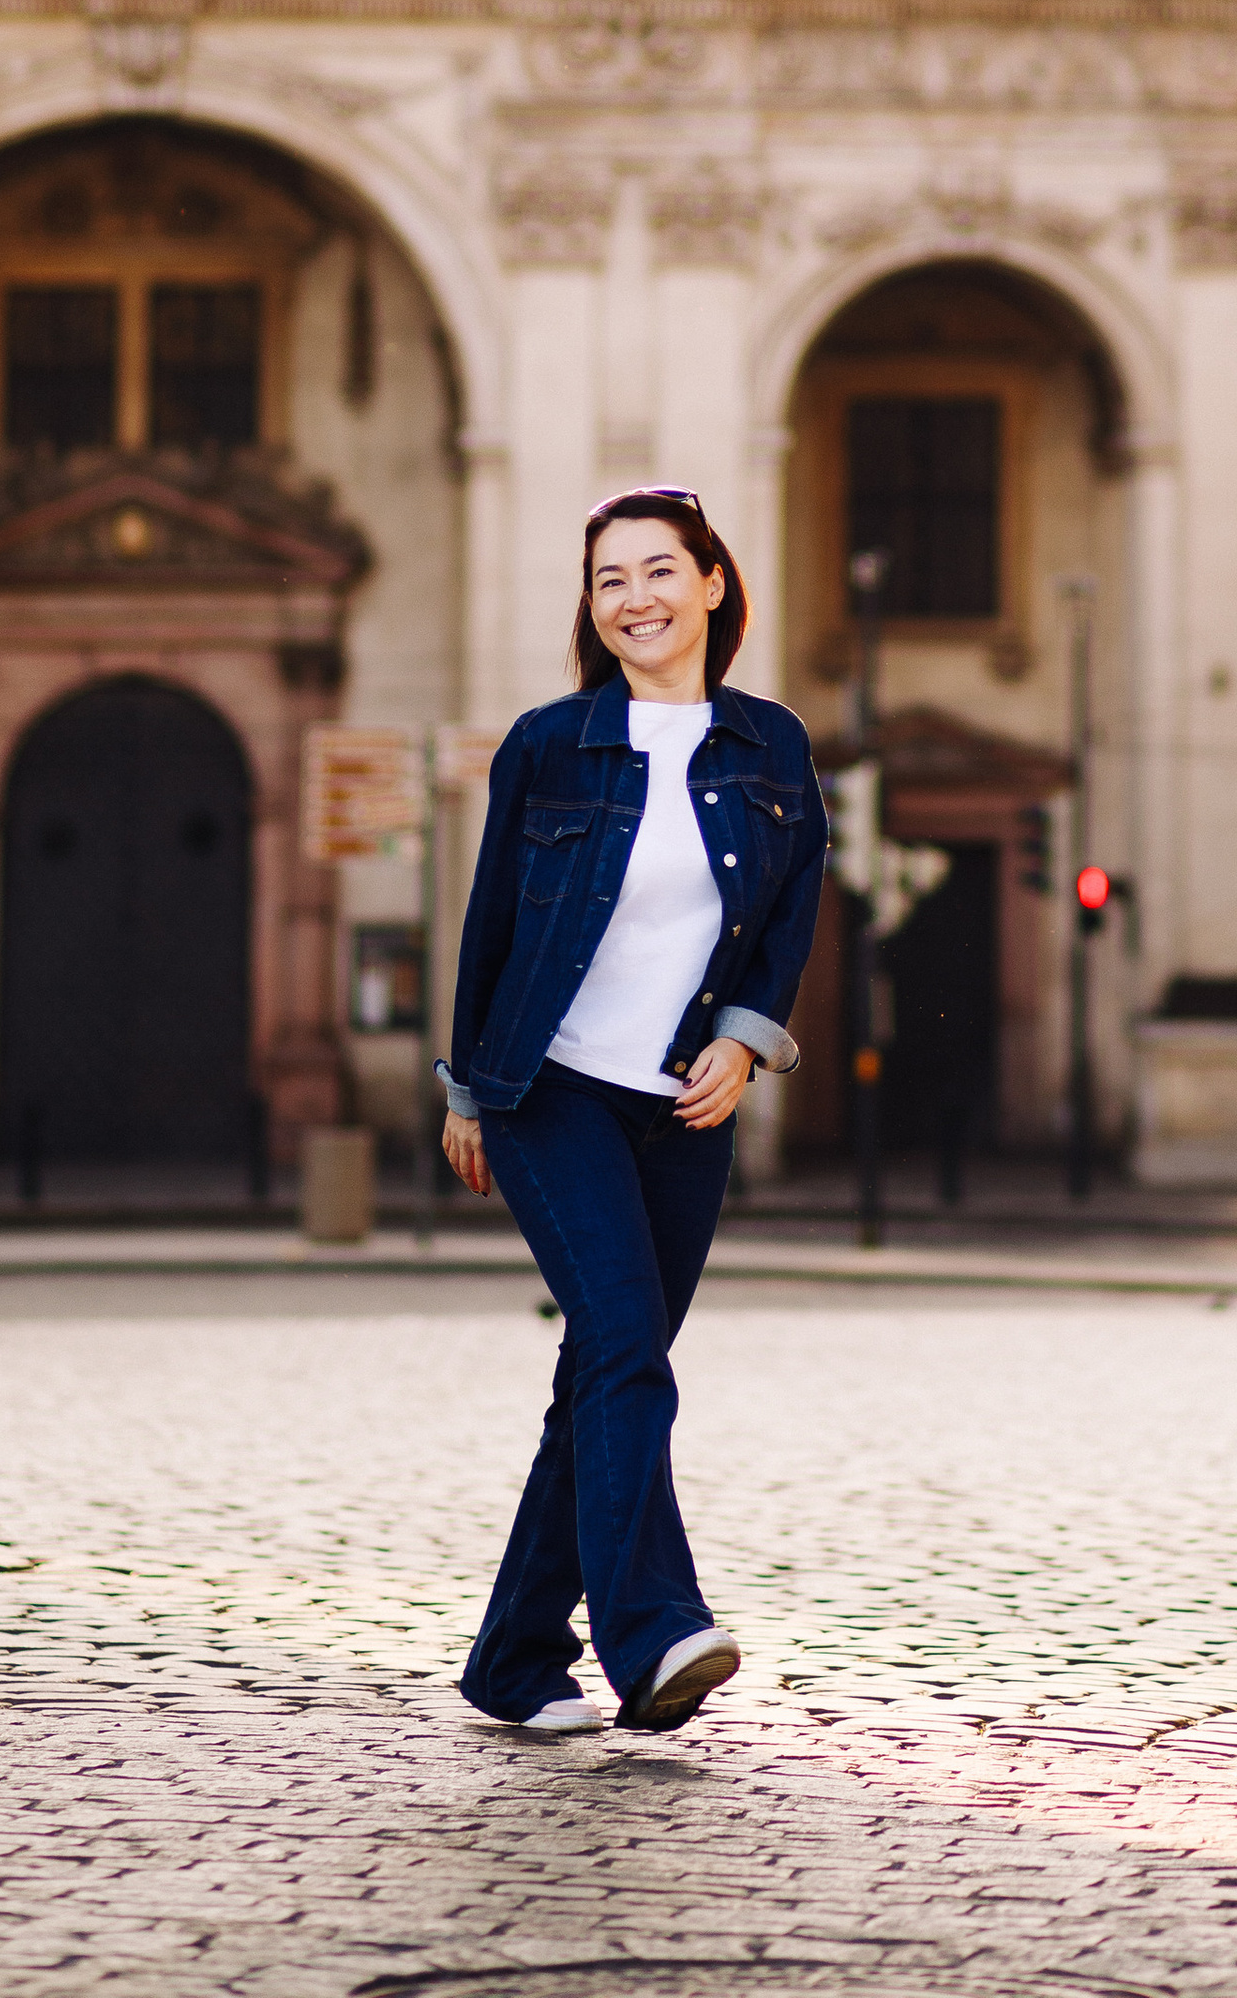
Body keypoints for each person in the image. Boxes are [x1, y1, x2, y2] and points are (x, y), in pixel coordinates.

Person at [436, 485, 828, 1736]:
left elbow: (789, 913)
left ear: (711, 583)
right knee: (625, 1350)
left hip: (681, 1109)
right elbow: (491, 922)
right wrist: (465, 1088)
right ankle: (654, 1635)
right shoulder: (549, 744)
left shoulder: (772, 746)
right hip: (548, 1087)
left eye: (659, 571)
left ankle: (513, 1660)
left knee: (601, 1373)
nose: (635, 599)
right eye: (610, 579)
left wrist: (746, 1040)